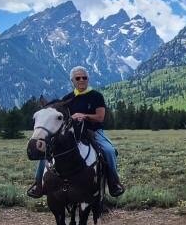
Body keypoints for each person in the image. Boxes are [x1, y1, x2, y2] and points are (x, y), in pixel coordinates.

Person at [27, 66, 126, 198]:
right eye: (78, 78)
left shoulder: (96, 96)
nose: (81, 80)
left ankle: (114, 183)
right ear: (72, 81)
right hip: (72, 133)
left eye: (84, 77)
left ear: (88, 79)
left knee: (109, 150)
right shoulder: (68, 98)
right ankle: (38, 184)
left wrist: (85, 116)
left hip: (93, 131)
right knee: (47, 152)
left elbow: (100, 117)